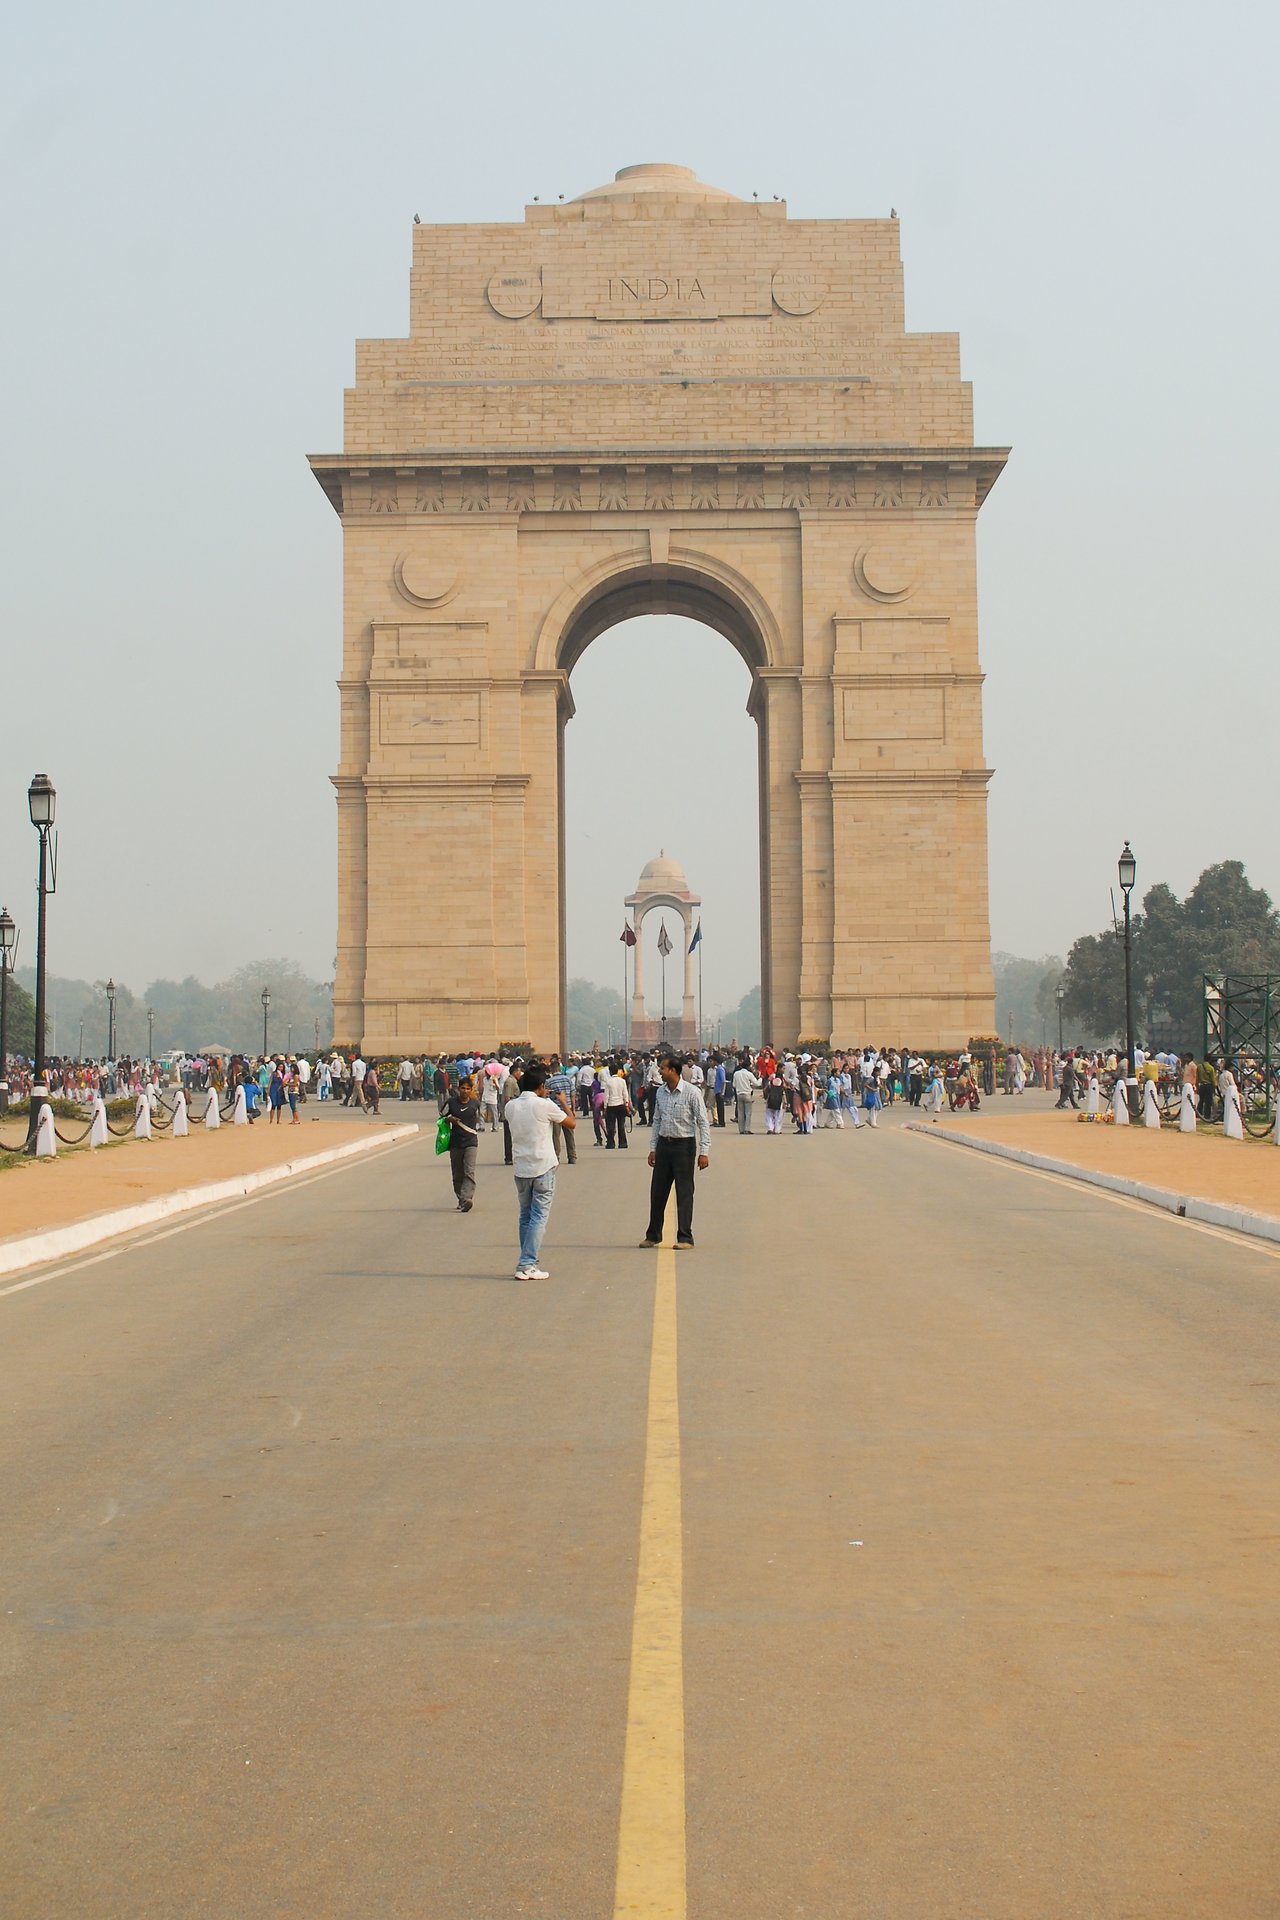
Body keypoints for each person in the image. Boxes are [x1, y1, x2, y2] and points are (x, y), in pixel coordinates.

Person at [505, 1062, 575, 1280]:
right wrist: (563, 1102)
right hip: (543, 1166)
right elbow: (571, 1123)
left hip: (521, 1167)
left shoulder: (511, 1106)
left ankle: (525, 1263)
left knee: (525, 1216)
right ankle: (527, 1263)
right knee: (539, 1217)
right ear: (541, 1086)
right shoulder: (544, 1105)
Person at [641, 1055, 711, 1250]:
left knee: (684, 1193)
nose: (659, 1071)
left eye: (662, 1068)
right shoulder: (660, 1093)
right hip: (664, 1145)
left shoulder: (692, 1092)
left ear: (673, 1070)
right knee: (657, 1192)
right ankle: (653, 1235)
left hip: (684, 1147)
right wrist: (653, 1148)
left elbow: (703, 1123)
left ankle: (685, 1237)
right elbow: (656, 1121)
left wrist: (704, 1152)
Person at [446, 1073, 481, 1211]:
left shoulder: (475, 1104)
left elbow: (478, 1119)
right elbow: (441, 1118)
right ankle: (461, 1198)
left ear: (471, 1090)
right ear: (458, 1089)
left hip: (471, 1142)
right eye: (462, 1088)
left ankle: (467, 1198)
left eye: (468, 1089)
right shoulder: (451, 1103)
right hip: (455, 1143)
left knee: (469, 1171)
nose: (465, 1091)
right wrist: (449, 1120)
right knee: (457, 1173)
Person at [604, 1062, 631, 1148]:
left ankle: (611, 1143)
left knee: (611, 1126)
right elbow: (625, 1094)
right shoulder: (622, 1081)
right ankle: (622, 1143)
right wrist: (626, 1105)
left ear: (610, 1072)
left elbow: (606, 1096)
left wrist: (605, 1107)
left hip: (611, 1105)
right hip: (621, 1105)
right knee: (621, 1125)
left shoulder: (608, 1082)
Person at [732, 1058, 761, 1134]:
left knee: (740, 1112)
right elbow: (757, 1084)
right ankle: (747, 1129)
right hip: (747, 1094)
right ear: (748, 1067)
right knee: (748, 1113)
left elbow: (734, 1085)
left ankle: (741, 1129)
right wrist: (760, 1078)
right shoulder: (749, 1074)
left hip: (739, 1094)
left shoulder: (736, 1073)